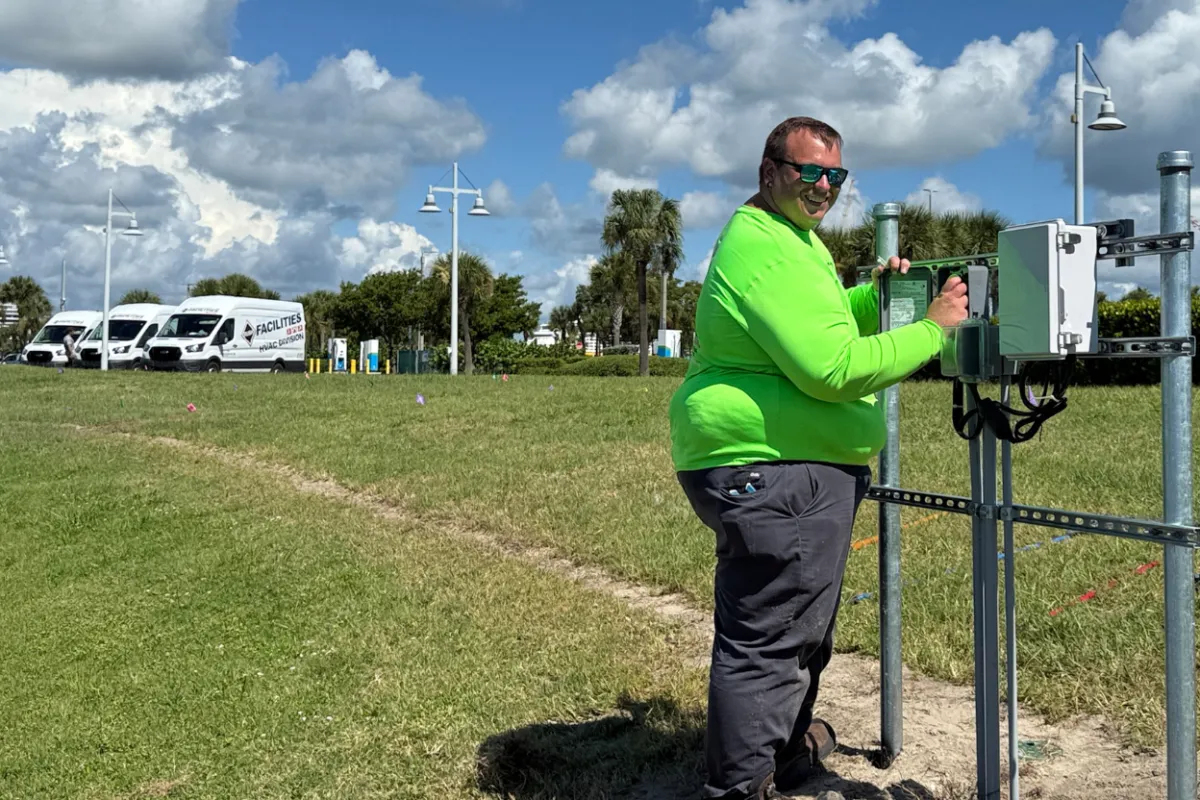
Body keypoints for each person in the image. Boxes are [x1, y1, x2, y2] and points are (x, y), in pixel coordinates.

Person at [668, 116, 969, 800]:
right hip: (776, 467)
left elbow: (815, 324)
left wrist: (874, 299)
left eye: (836, 174)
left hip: (785, 465)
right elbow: (832, 368)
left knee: (798, 631)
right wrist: (932, 329)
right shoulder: (770, 249)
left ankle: (782, 758)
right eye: (809, 171)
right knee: (772, 639)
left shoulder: (791, 239)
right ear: (769, 171)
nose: (824, 186)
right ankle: (742, 786)